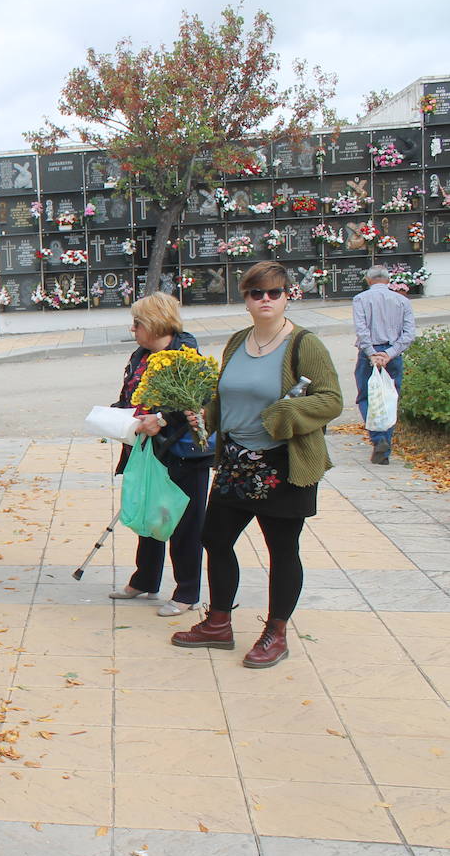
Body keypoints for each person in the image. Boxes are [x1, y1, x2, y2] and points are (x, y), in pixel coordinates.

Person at [171, 261, 342, 668]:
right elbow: (225, 395)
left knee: (281, 550)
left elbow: (332, 400)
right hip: (235, 462)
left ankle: (276, 633)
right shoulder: (237, 342)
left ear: (287, 296)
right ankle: (219, 623)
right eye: (256, 293)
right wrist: (206, 418)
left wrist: (284, 414)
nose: (265, 300)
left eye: (274, 292)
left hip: (283, 465)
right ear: (245, 299)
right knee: (214, 538)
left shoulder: (304, 344)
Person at [106, 293, 213, 617]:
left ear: (153, 324)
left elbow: (198, 402)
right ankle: (146, 579)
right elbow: (130, 395)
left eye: (137, 323)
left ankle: (187, 592)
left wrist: (162, 419)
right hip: (148, 449)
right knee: (148, 512)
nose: (133, 328)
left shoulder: (185, 355)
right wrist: (118, 415)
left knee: (184, 523)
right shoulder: (142, 354)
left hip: (183, 451)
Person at [352, 265, 416, 464]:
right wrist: (388, 354)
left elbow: (362, 330)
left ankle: (378, 440)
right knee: (390, 398)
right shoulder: (402, 301)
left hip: (368, 354)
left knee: (366, 396)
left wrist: (372, 354)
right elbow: (409, 334)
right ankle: (384, 445)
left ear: (368, 280)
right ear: (388, 281)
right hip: (392, 353)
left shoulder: (360, 299)